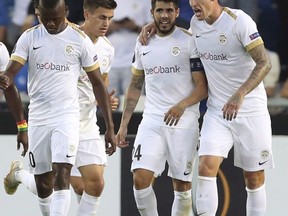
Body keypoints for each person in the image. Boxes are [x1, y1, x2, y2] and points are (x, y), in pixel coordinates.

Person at [140, 0, 274, 215]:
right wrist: (156, 26)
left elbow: (264, 62)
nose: (192, 4)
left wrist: (240, 93)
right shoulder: (197, 23)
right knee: (205, 167)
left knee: (254, 177)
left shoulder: (239, 21)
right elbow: (181, 39)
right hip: (217, 112)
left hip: (250, 111)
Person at [0, 0, 116, 215]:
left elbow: (99, 83)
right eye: (46, 19)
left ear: (66, 12)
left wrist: (110, 125)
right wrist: (6, 79)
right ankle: (19, 175)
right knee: (45, 186)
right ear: (37, 13)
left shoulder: (81, 41)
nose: (51, 24)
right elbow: (11, 72)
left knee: (70, 177)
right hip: (40, 117)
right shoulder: (29, 37)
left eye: (56, 18)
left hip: (70, 116)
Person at [116, 0, 207, 215]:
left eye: (169, 10)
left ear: (176, 12)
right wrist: (123, 124)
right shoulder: (143, 42)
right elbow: (135, 84)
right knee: (140, 179)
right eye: (159, 11)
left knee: (182, 187)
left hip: (183, 121)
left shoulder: (189, 40)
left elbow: (203, 88)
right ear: (152, 12)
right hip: (152, 120)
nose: (164, 16)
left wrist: (181, 106)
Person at [106, 0, 151, 100]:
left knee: (134, 104)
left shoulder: (146, 2)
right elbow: (95, 30)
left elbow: (153, 32)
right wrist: (112, 27)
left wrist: (134, 27)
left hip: (134, 61)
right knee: (108, 104)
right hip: (109, 61)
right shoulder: (107, 1)